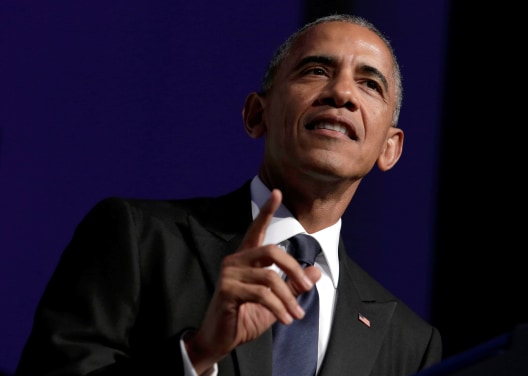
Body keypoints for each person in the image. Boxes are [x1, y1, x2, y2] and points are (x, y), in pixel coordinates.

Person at [15, 13, 442, 376]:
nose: (342, 93)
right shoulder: (138, 239)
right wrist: (196, 354)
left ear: (390, 148)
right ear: (257, 115)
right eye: (316, 70)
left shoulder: (410, 343)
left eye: (370, 84)